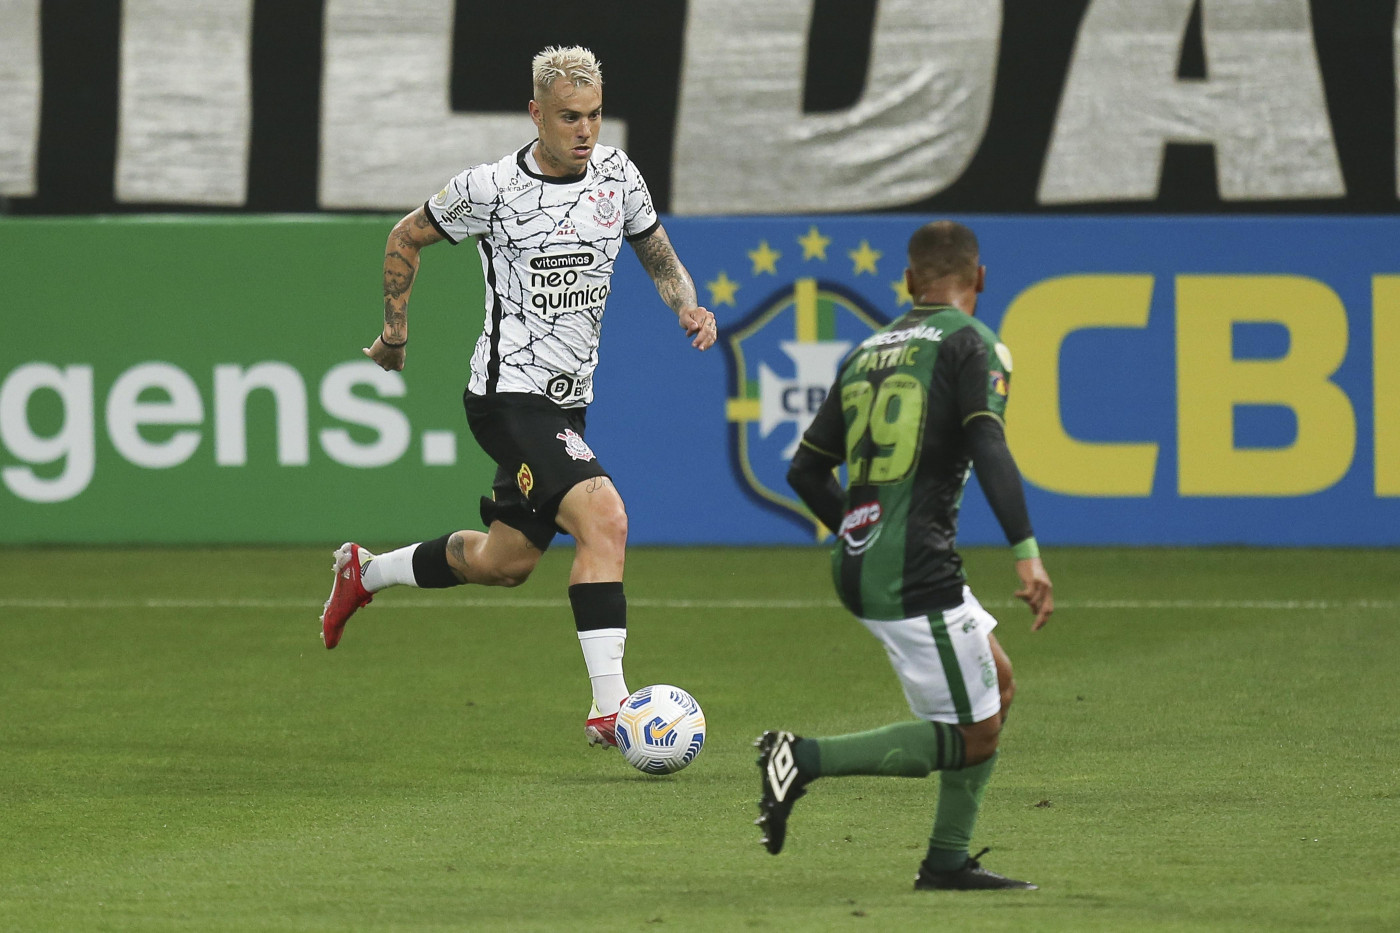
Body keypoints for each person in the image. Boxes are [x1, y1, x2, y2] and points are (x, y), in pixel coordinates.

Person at [319, 46, 716, 750]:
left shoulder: (618, 175)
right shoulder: (493, 189)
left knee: (504, 562)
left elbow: (655, 248)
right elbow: (406, 236)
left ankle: (365, 571)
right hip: (507, 397)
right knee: (607, 519)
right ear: (537, 114)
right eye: (569, 117)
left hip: (566, 405)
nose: (585, 131)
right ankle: (611, 709)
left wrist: (685, 304)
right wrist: (394, 332)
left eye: (594, 116)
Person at [755, 220, 1054, 890]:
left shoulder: (866, 351)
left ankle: (946, 860)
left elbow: (804, 471)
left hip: (879, 558)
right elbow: (989, 443)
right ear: (979, 278)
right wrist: (1026, 553)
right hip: (913, 566)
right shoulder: (973, 344)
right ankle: (801, 757)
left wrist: (857, 530)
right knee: (972, 735)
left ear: (910, 282)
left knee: (998, 688)